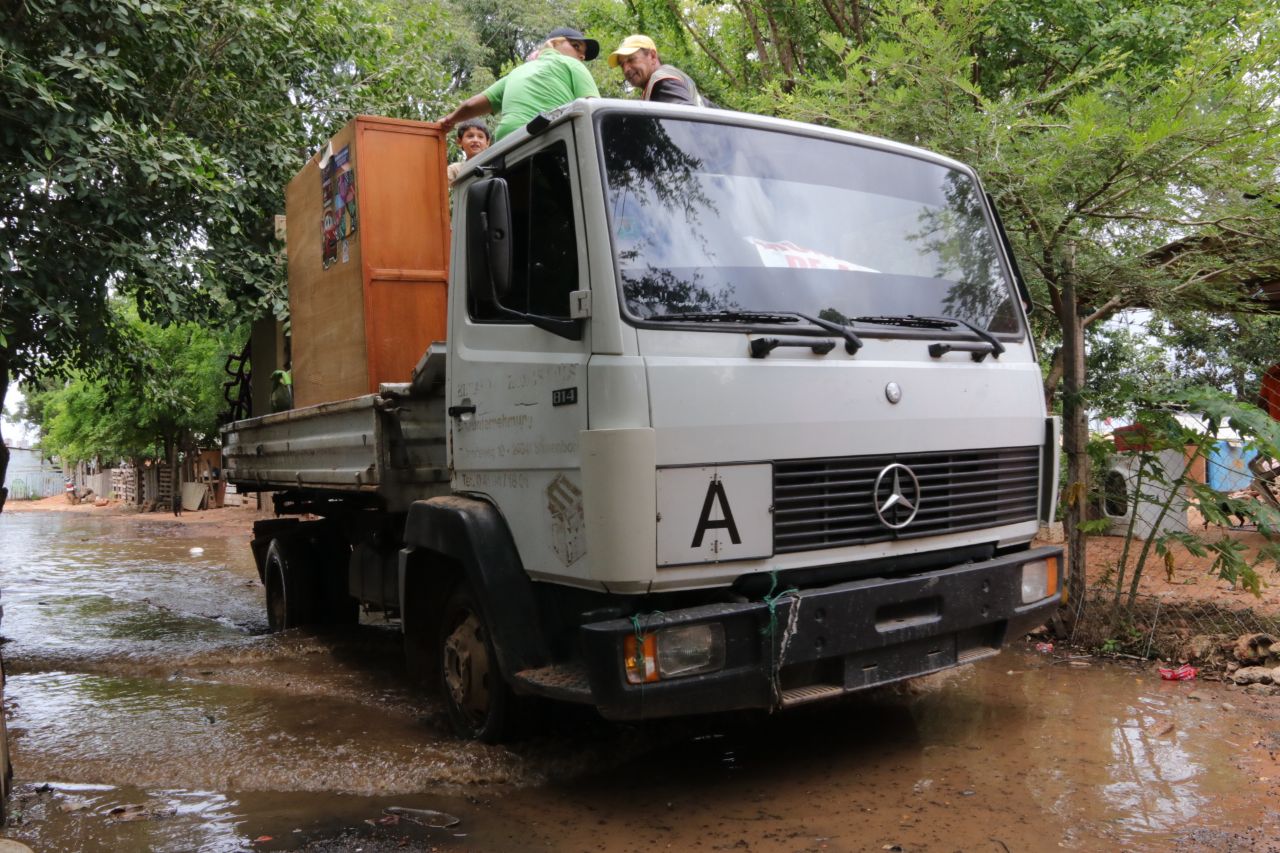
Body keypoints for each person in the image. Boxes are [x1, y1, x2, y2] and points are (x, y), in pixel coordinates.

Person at [439, 27, 600, 142]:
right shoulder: (572, 65)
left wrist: (449, 120)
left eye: (583, 54)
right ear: (554, 43)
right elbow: (593, 109)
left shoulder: (516, 73)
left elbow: (471, 105)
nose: (581, 56)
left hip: (506, 143)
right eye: (576, 46)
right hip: (549, 138)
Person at [608, 34, 706, 106]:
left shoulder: (661, 80)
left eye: (631, 60)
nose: (626, 69)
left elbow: (685, 119)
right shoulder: (666, 81)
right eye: (622, 65)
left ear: (652, 56)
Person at [447, 119, 492, 183]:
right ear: (459, 142)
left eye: (480, 137)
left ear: (487, 142)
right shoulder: (454, 170)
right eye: (470, 136)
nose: (475, 140)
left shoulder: (494, 166)